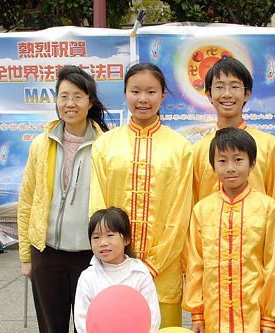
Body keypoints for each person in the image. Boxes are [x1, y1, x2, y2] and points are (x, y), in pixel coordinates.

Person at [90, 63, 193, 327]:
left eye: (151, 91)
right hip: (114, 267)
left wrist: (155, 263)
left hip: (163, 270)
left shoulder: (180, 148)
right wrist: (114, 255)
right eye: (135, 91)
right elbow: (97, 206)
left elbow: (181, 214)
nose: (143, 99)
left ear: (162, 95)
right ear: (125, 93)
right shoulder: (105, 145)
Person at [17, 65, 109, 333]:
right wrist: (26, 256)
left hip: (90, 255)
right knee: (50, 327)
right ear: (56, 100)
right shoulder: (40, 144)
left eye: (78, 96)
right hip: (47, 255)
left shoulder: (105, 146)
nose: (70, 103)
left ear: (90, 102)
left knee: (90, 326)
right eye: (64, 96)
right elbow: (27, 201)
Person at [183, 127, 275, 333]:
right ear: (213, 166)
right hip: (214, 318)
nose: (230, 168)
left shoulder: (268, 208)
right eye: (222, 161)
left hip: (253, 319)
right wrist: (197, 314)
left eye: (238, 160)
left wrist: (268, 319)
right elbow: (195, 264)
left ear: (252, 164)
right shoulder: (202, 210)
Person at [192, 56, 275, 259]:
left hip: (254, 258)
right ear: (209, 94)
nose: (227, 94)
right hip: (211, 259)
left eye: (234, 87)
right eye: (219, 87)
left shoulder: (267, 145)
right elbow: (192, 208)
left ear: (247, 93)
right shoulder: (199, 149)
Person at [74, 207, 161, 333]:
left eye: (110, 235)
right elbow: (82, 320)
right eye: (96, 237)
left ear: (126, 239)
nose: (103, 243)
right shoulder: (87, 277)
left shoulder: (140, 273)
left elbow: (152, 317)